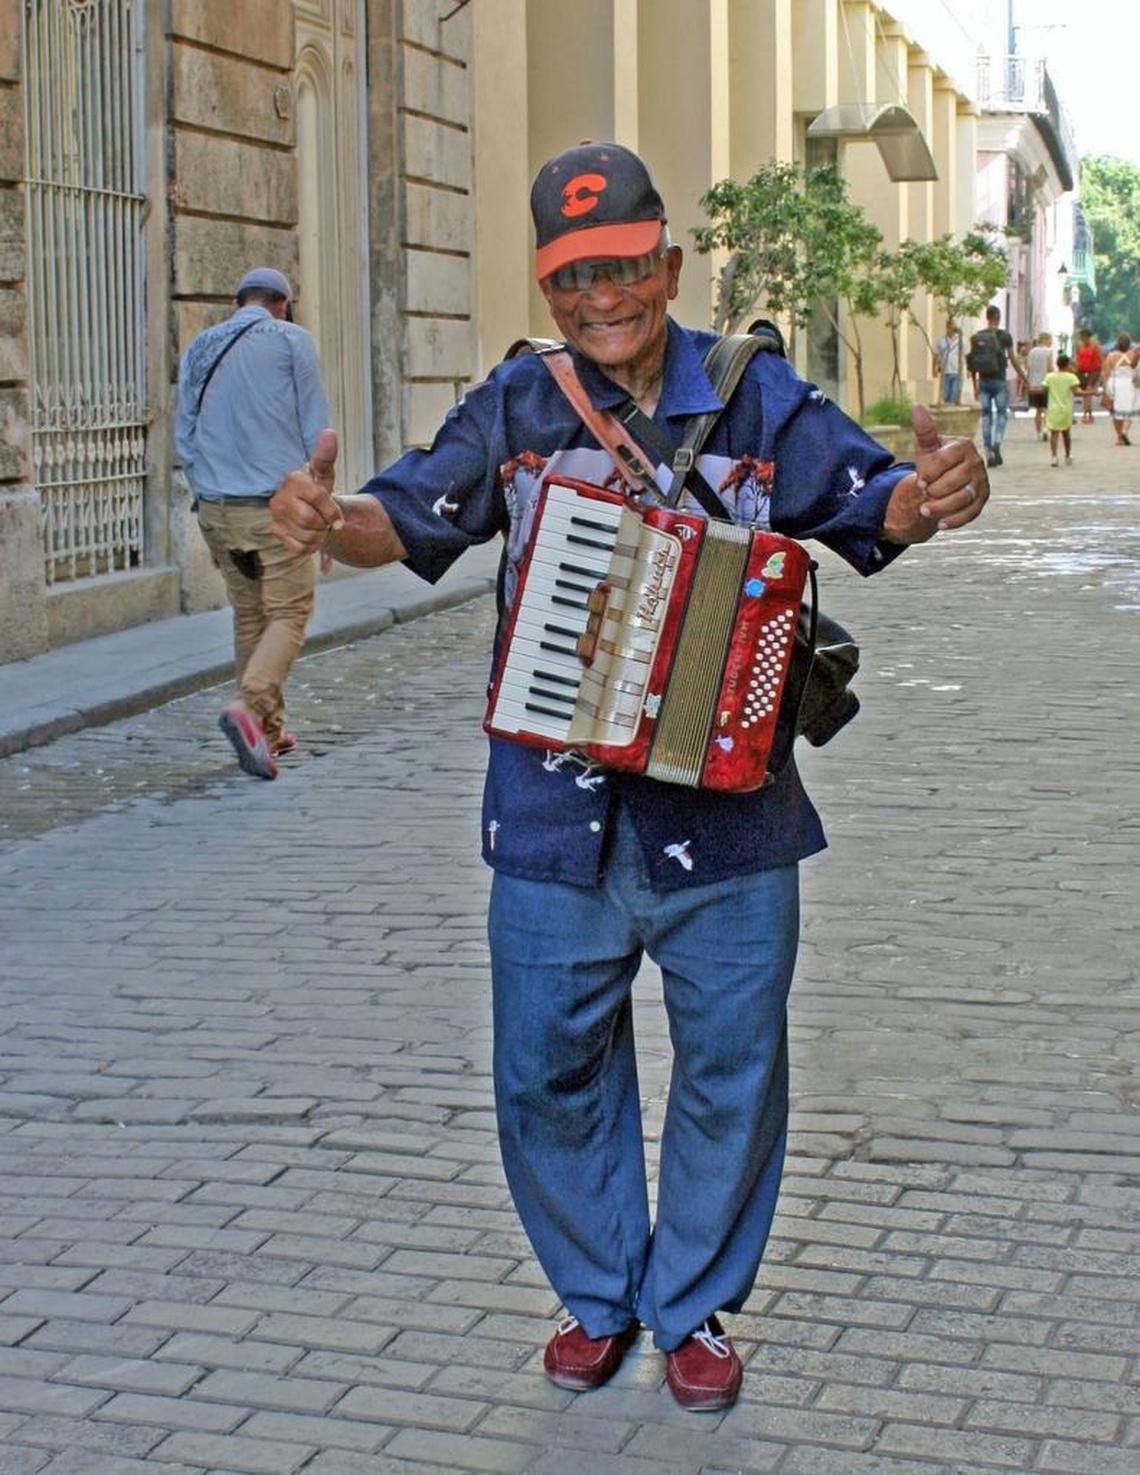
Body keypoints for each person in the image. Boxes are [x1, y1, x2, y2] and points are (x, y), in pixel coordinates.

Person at [269, 142, 989, 1411]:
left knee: (734, 1068)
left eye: (625, 269)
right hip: (554, 818)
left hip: (734, 821)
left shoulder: (754, 393)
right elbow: (410, 514)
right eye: (573, 278)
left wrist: (929, 500)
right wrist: (338, 528)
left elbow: (868, 500)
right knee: (546, 1065)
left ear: (667, 261)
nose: (603, 297)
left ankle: (695, 1302)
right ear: (550, 288)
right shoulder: (516, 404)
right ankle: (599, 1292)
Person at [175, 267, 330, 780]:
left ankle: (267, 732)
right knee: (289, 613)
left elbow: (186, 437)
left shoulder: (201, 346)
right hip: (275, 506)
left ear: (237, 301)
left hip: (218, 508)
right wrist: (324, 512)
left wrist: (206, 511)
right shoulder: (291, 341)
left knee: (250, 618)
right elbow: (316, 435)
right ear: (283, 304)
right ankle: (249, 704)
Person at [967, 304, 1026, 468]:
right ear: (998, 318)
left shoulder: (978, 337)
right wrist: (1024, 378)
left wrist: (974, 385)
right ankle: (997, 442)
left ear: (987, 317)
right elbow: (1013, 360)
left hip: (983, 381)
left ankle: (988, 451)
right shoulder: (1005, 336)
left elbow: (972, 363)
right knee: (1001, 414)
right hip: (999, 381)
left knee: (986, 416)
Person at [1101, 332, 1139, 447]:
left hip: (1116, 383)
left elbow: (1106, 374)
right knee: (1129, 410)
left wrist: (1105, 389)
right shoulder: (1133, 355)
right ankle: (1124, 431)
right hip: (1130, 384)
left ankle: (1119, 438)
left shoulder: (1111, 356)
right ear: (1129, 344)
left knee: (1116, 411)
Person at [1044, 352, 1081, 467]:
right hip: (1066, 410)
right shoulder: (1071, 378)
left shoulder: (1049, 377)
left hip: (1053, 409)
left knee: (1054, 434)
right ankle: (1067, 455)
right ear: (1068, 364)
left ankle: (1054, 457)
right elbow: (1077, 392)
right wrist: (1093, 393)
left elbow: (1043, 389)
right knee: (1066, 434)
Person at [1025, 332, 1053, 442]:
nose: (1051, 343)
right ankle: (1046, 429)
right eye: (1050, 340)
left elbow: (1028, 366)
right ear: (1045, 340)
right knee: (1046, 408)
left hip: (1033, 384)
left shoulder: (1031, 352)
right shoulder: (1048, 351)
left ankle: (1038, 433)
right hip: (1045, 383)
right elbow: (1050, 367)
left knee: (1037, 410)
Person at [1075, 328, 1103, 424]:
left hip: (1094, 371)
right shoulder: (1079, 347)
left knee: (1088, 390)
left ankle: (1086, 414)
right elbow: (1077, 358)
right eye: (1082, 337)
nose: (1083, 339)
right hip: (1082, 371)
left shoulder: (1095, 347)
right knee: (1085, 393)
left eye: (1085, 337)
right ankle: (1088, 414)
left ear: (1089, 337)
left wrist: (1102, 372)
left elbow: (1100, 359)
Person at [933, 318, 961, 404]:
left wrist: (967, 370)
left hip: (956, 371)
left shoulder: (959, 340)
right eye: (950, 327)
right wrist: (934, 368)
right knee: (946, 395)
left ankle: (952, 410)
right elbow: (936, 355)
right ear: (947, 327)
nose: (951, 329)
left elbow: (963, 356)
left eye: (953, 327)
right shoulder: (941, 341)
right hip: (945, 372)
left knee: (953, 394)